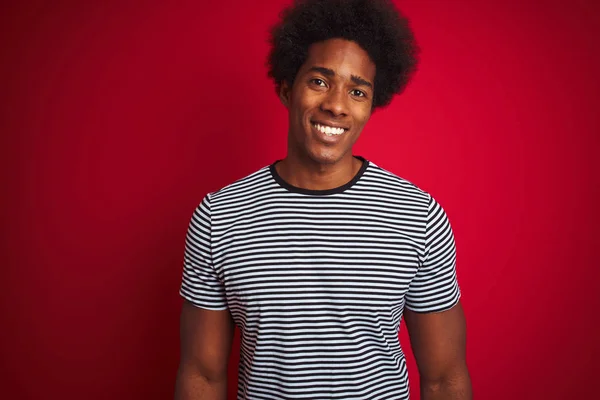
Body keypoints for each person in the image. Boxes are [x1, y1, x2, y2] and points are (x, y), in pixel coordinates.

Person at [174, 0, 472, 398]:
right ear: (286, 88)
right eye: (319, 81)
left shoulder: (418, 216)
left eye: (357, 91)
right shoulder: (219, 216)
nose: (336, 104)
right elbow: (201, 375)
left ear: (370, 106)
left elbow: (444, 376)